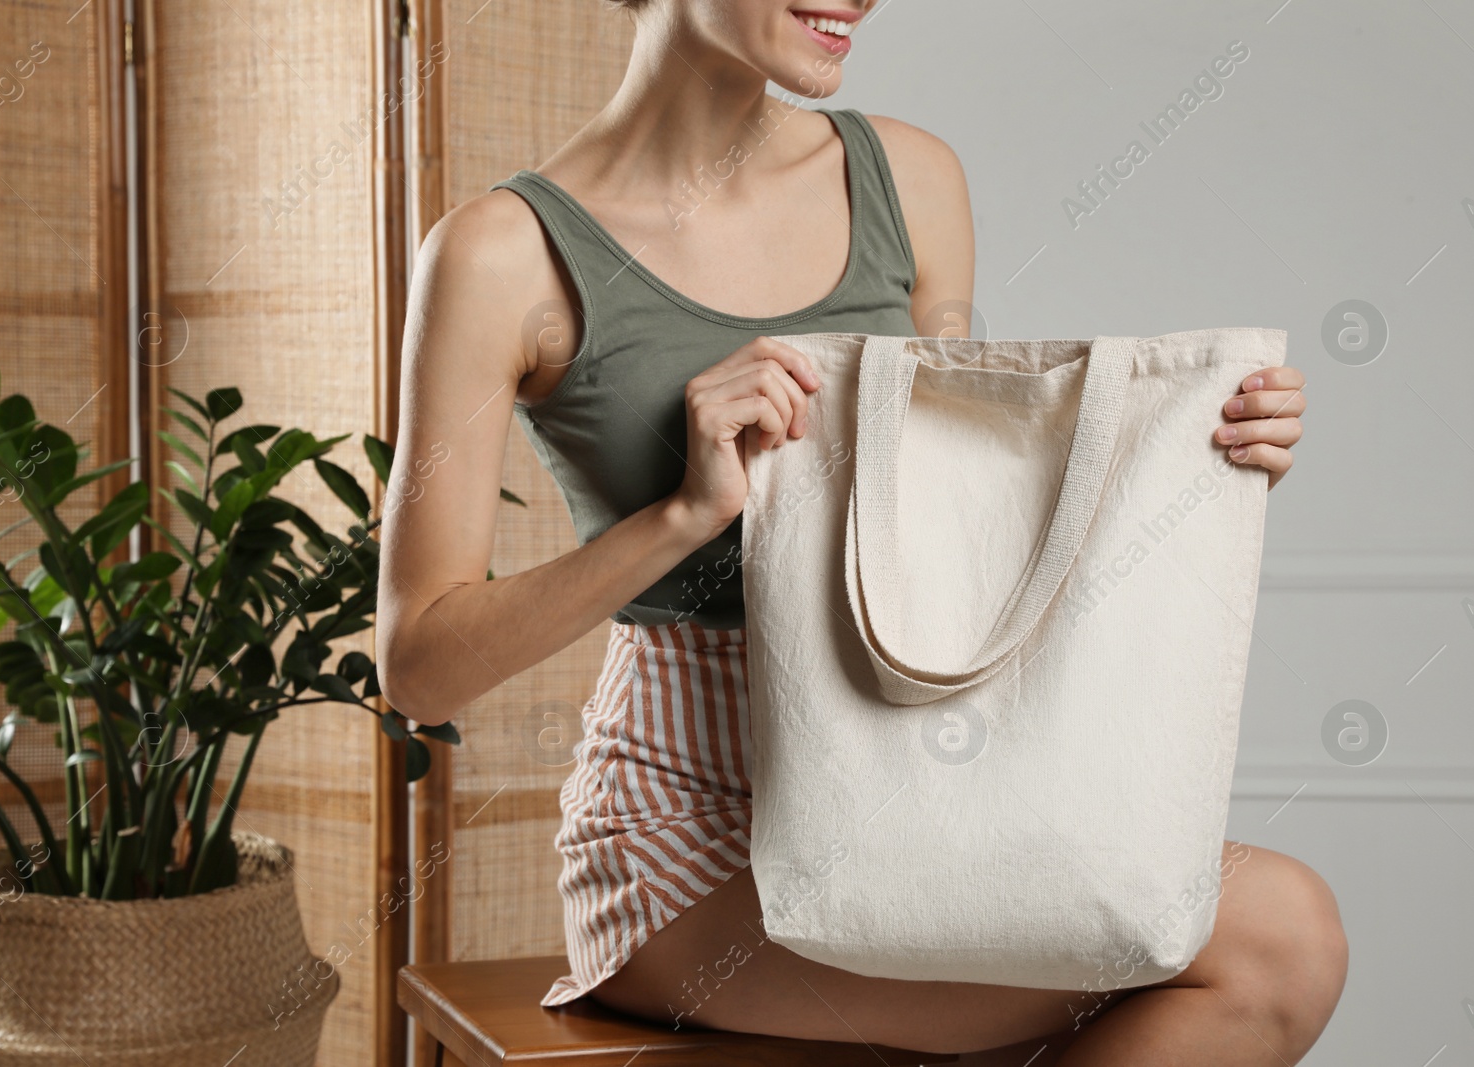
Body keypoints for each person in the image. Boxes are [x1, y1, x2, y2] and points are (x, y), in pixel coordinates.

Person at [374, 1, 1344, 1062]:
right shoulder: (497, 254)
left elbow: (955, 515)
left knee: (1285, 930)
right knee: (1272, 940)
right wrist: (685, 514)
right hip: (686, 851)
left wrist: (1201, 461)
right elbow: (421, 666)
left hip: (917, 791)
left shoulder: (912, 182)